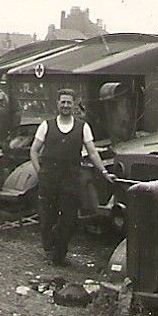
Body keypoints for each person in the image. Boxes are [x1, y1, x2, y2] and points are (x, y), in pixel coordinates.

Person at [29, 88, 115, 266]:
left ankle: (59, 254)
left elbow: (92, 152)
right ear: (57, 104)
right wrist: (40, 172)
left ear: (74, 105)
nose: (66, 105)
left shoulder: (83, 127)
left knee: (69, 218)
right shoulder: (46, 125)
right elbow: (34, 151)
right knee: (47, 218)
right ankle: (50, 249)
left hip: (70, 177)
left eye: (69, 102)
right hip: (49, 177)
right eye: (63, 102)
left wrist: (104, 172)